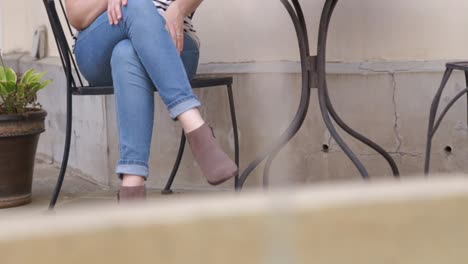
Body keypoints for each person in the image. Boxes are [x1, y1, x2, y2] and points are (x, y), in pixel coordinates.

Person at [65, 0, 238, 201]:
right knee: (135, 3)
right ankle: (195, 126)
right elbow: (77, 15)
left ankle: (132, 184)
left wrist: (179, 8)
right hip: (99, 45)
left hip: (172, 41)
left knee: (126, 52)